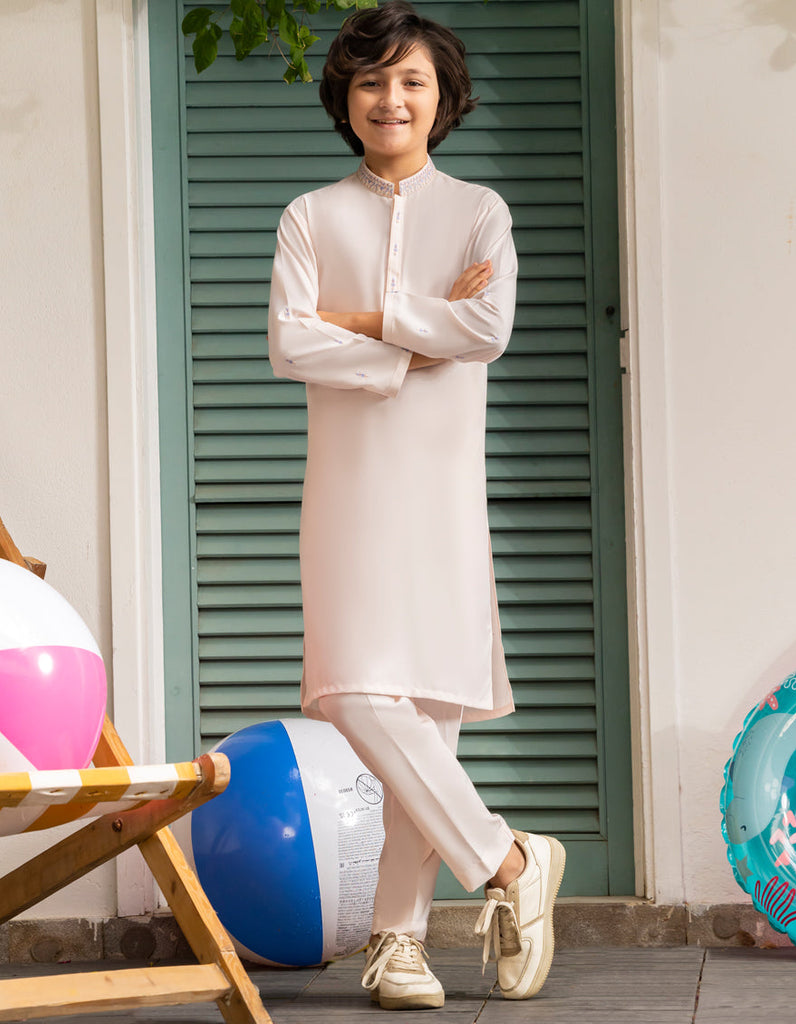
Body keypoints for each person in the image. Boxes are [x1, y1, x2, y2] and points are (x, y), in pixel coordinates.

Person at [267, 0, 565, 1010]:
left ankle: (397, 944)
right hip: (347, 495)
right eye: (370, 80)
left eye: (410, 80)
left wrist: (360, 319)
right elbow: (289, 342)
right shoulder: (311, 216)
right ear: (344, 98)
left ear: (442, 99)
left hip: (441, 497)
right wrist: (415, 338)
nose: (389, 97)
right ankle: (510, 859)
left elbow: (486, 328)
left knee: (428, 723)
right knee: (348, 691)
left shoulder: (478, 212)